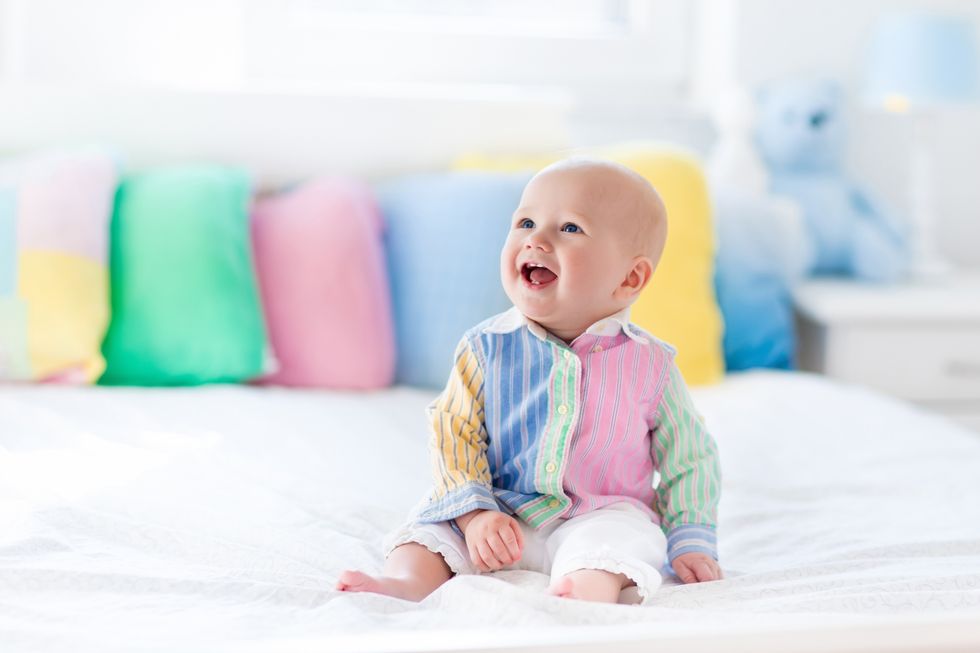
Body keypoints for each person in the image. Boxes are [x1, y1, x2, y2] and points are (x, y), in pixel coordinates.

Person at [337, 158, 721, 604]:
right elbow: (454, 432)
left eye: (570, 228)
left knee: (621, 540)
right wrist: (475, 513)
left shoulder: (650, 365)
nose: (536, 239)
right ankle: (406, 583)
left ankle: (583, 591)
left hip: (596, 512)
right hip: (498, 509)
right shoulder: (486, 347)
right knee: (425, 529)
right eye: (525, 222)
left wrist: (691, 536)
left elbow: (689, 457)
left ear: (629, 278)